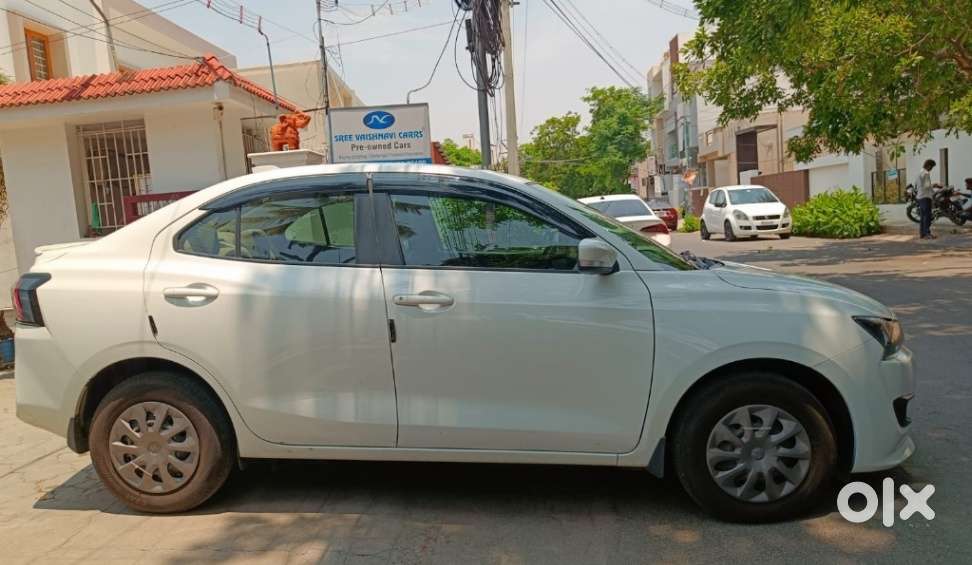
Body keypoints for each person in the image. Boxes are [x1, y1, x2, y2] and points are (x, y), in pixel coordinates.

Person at [915, 159, 941, 239]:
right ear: (929, 166)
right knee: (927, 216)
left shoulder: (919, 172)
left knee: (923, 216)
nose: (931, 169)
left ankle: (922, 234)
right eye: (932, 167)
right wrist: (935, 185)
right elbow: (927, 186)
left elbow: (920, 186)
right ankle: (927, 234)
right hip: (925, 197)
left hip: (920, 197)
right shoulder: (926, 173)